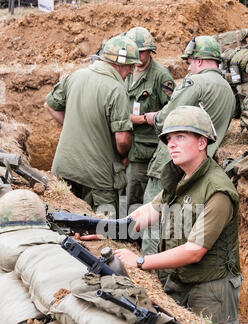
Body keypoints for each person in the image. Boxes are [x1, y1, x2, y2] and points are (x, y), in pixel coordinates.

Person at [113, 106, 242, 324]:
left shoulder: (218, 190)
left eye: (180, 137)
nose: (171, 144)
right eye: (169, 139)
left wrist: (141, 261)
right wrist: (105, 230)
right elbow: (148, 212)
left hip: (211, 292)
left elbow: (195, 251)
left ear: (202, 143)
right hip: (180, 282)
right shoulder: (180, 176)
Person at [142, 35, 236, 255]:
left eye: (190, 62)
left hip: (171, 162)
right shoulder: (228, 90)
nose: (189, 68)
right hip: (201, 164)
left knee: (154, 222)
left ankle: (149, 271)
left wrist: (152, 118)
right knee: (181, 227)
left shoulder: (196, 82)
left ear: (199, 60)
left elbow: (167, 119)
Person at [44, 34, 141, 217]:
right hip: (99, 177)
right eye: (130, 66)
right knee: (103, 229)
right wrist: (125, 156)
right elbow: (122, 139)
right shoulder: (116, 89)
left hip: (65, 168)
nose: (131, 71)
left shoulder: (76, 76)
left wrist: (73, 123)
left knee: (64, 222)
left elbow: (49, 104)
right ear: (118, 64)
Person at [124, 26, 175, 211]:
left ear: (149, 52)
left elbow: (172, 109)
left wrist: (144, 119)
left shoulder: (161, 76)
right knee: (122, 189)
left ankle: (134, 235)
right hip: (124, 144)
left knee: (136, 193)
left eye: (142, 52)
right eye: (134, 52)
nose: (137, 57)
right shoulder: (126, 71)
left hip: (146, 149)